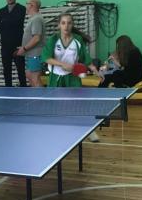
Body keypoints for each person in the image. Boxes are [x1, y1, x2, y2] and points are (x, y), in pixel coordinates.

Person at [42, 13, 101, 142]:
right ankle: (59, 131)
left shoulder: (77, 40)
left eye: (69, 23)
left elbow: (85, 58)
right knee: (56, 107)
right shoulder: (53, 39)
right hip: (56, 78)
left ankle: (89, 130)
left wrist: (95, 70)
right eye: (63, 23)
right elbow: (46, 58)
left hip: (72, 77)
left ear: (72, 25)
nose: (66, 26)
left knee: (79, 104)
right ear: (59, 25)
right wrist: (63, 64)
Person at [0, 0, 26, 87]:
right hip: (5, 46)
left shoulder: (21, 9)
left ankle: (24, 89)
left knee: (21, 70)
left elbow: (18, 22)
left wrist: (4, 21)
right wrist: (10, 21)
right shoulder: (1, 11)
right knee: (6, 71)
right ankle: (8, 90)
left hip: (18, 46)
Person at [16, 0, 46, 87]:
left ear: (32, 5)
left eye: (27, 3)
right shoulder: (32, 18)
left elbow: (36, 38)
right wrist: (23, 47)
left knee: (35, 78)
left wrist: (24, 48)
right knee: (29, 75)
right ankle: (36, 95)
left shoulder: (36, 19)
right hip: (31, 54)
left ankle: (41, 96)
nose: (26, 6)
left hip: (36, 54)